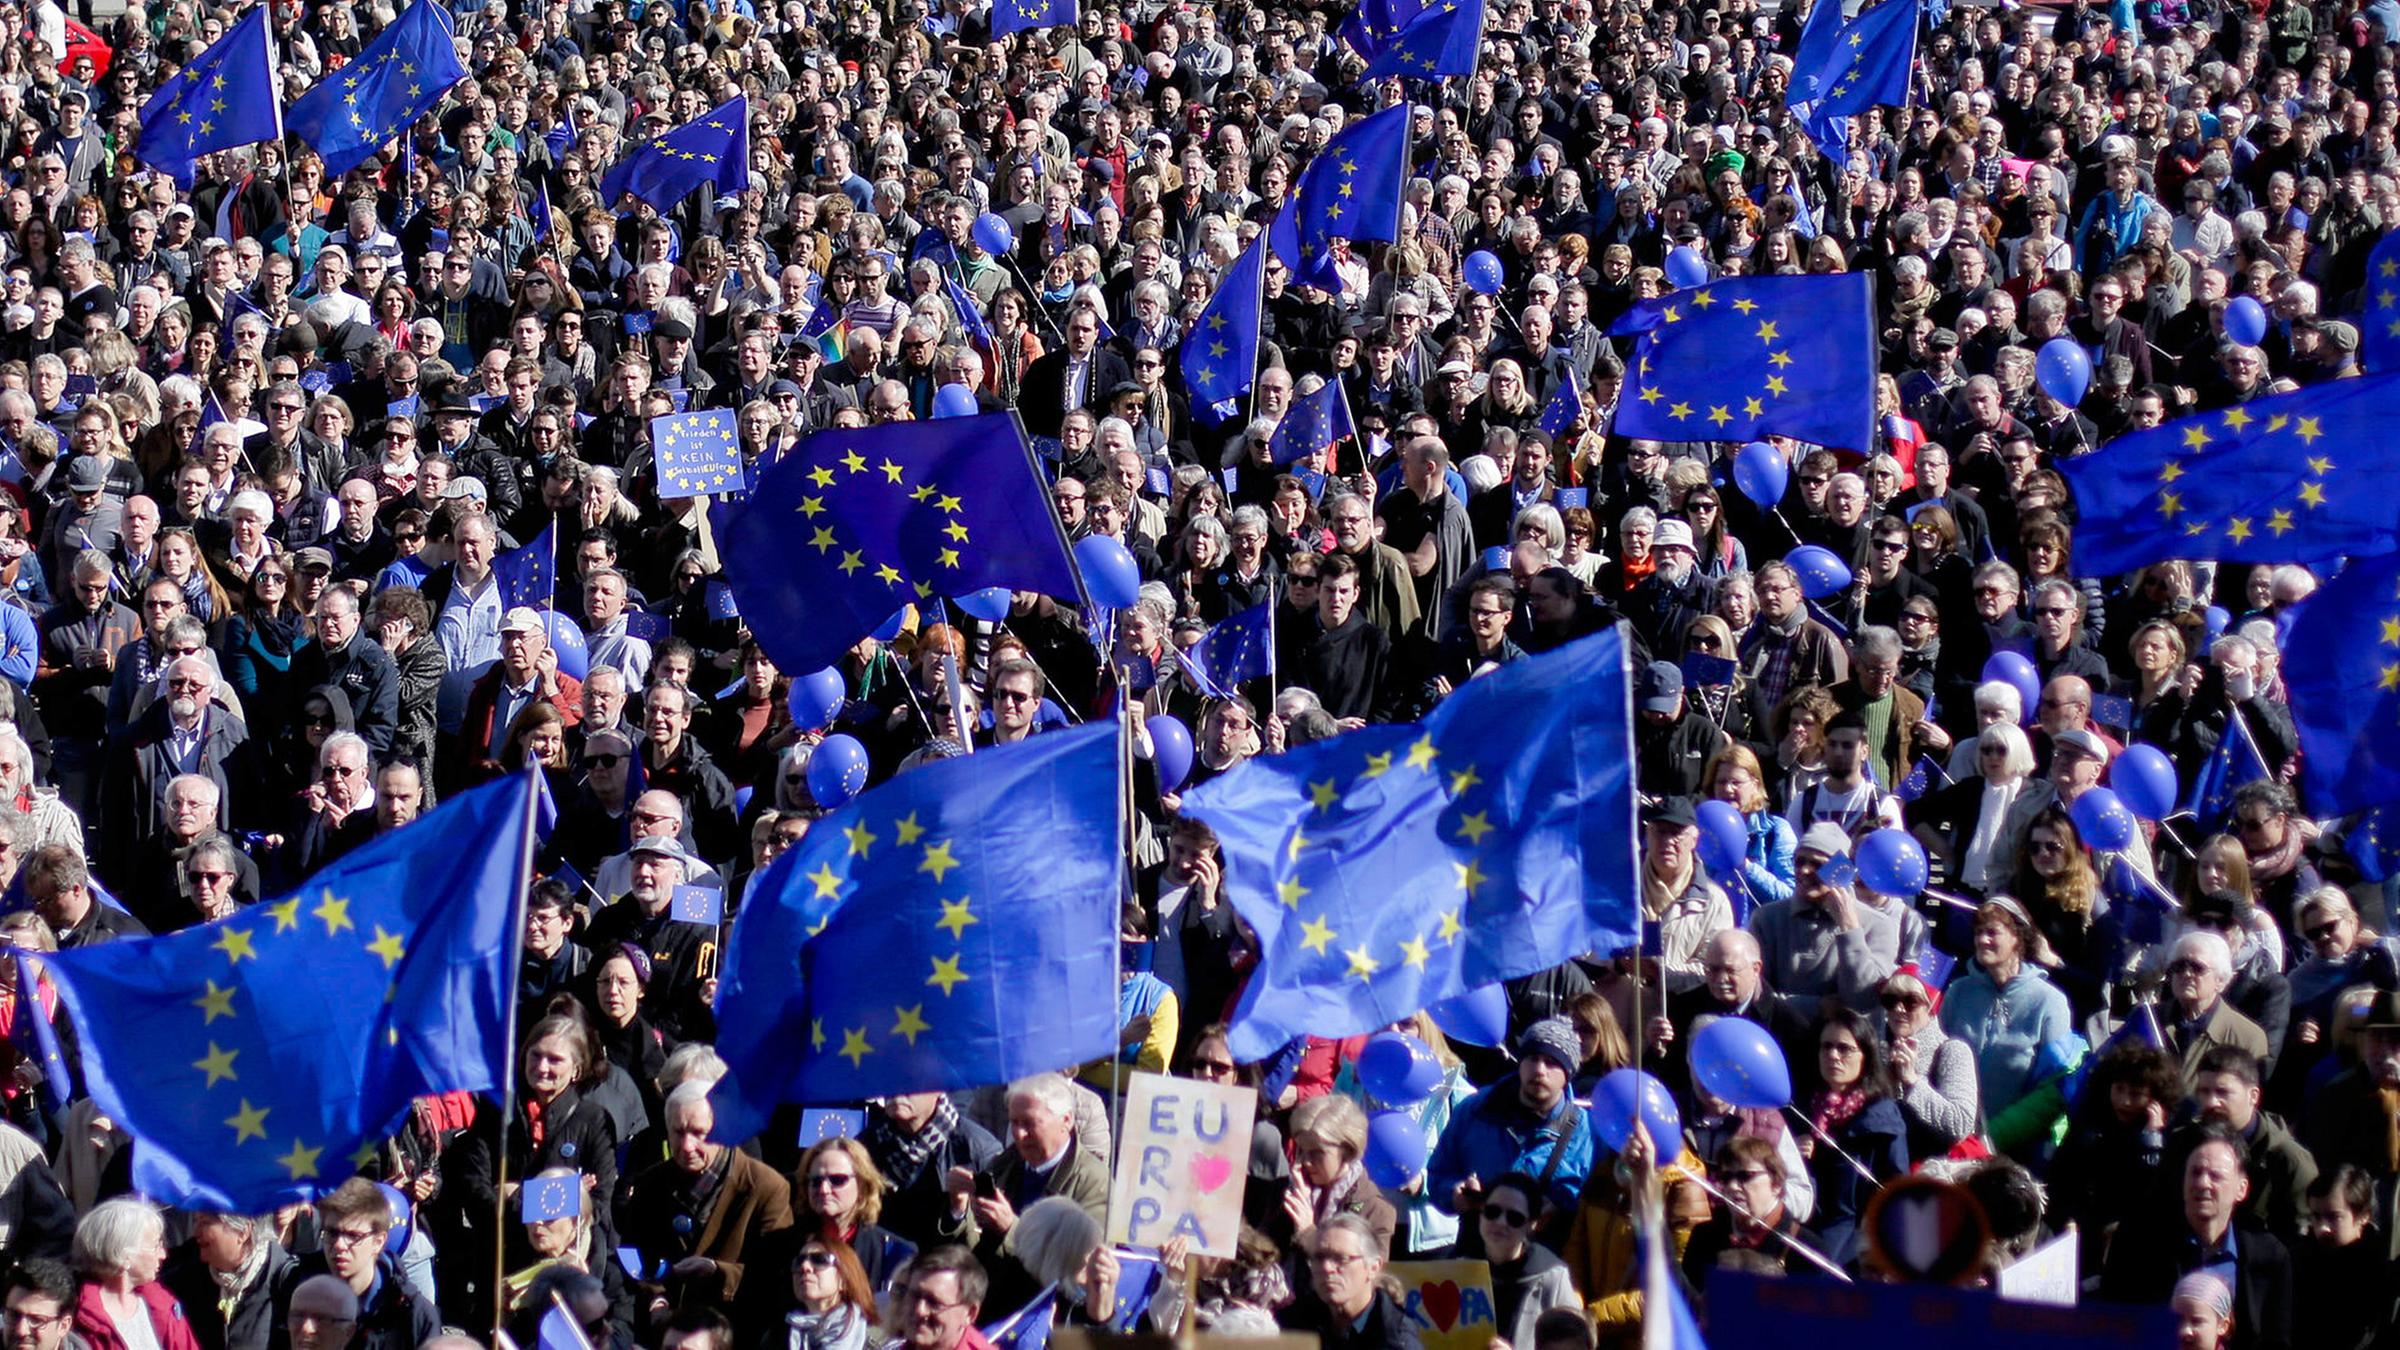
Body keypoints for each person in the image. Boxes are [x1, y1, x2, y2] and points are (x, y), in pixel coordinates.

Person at [616, 1082, 794, 1326]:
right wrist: (656, 1298)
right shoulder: (651, 1184)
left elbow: (776, 1273)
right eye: (678, 1132)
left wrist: (717, 1271)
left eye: (699, 1133)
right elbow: (634, 1256)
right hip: (668, 1331)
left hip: (734, 1329)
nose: (688, 1146)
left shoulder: (766, 1187)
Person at [1426, 1018, 1595, 1221]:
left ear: (1568, 1073)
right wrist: (1454, 1194)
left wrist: (1561, 1210)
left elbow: (1594, 1204)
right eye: (1532, 1058)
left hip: (1548, 1247)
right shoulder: (1475, 1110)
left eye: (1551, 1062)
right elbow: (1439, 1174)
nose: (1540, 1070)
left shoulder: (1587, 1133)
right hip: (1479, 1241)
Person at [69, 1199, 199, 1350]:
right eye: (156, 1246)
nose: (163, 1254)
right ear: (124, 1256)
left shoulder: (161, 1303)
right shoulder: (78, 1316)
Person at [1275, 1214, 1417, 1350]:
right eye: (1319, 1258)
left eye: (1341, 1258)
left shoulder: (1396, 1338)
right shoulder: (1292, 1323)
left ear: (1373, 1267)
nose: (1327, 1268)